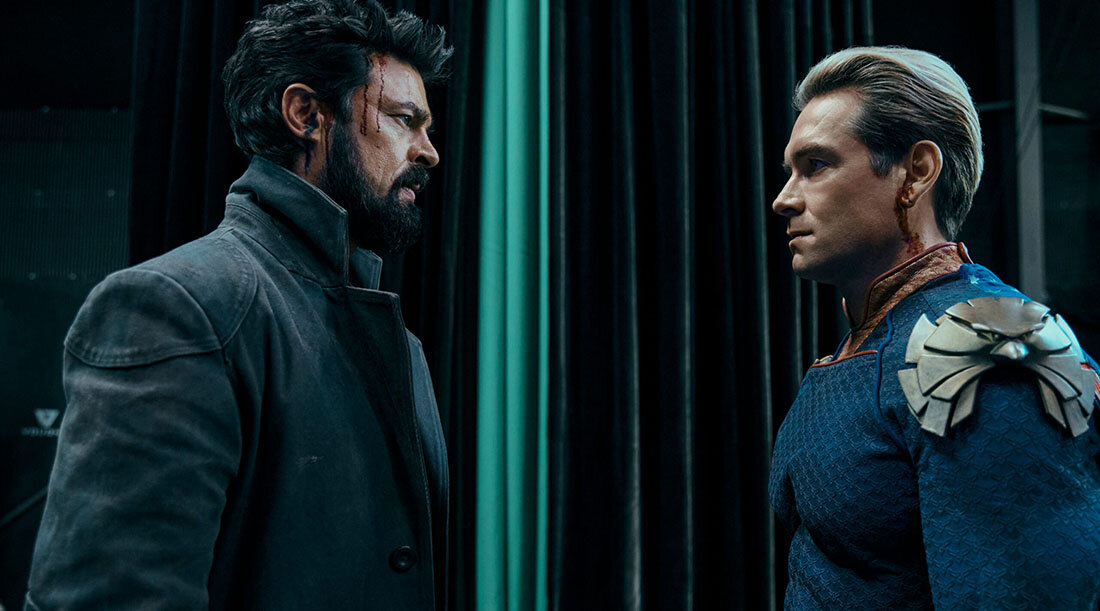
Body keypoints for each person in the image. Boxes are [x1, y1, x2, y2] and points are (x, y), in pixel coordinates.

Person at [24, 1, 452, 609]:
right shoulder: (179, 306)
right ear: (306, 114)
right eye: (405, 119)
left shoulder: (399, 345)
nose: (429, 151)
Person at [768, 46, 1100, 608]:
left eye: (816, 166)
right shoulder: (873, 336)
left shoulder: (989, 351)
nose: (784, 199)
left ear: (916, 172)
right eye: (790, 172)